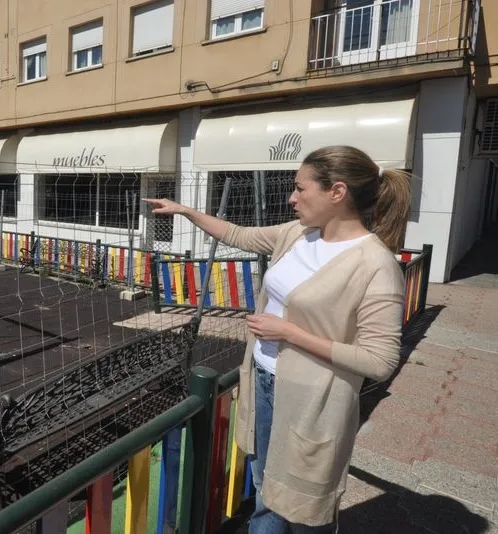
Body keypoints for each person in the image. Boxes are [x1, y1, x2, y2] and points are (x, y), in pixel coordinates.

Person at [143, 145, 412, 533]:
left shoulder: (376, 265)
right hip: (263, 381)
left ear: (336, 192)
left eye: (300, 188)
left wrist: (290, 333)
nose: (292, 197)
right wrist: (185, 210)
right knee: (265, 491)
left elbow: (380, 361)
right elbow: (238, 234)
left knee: (306, 511)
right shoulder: (297, 234)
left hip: (313, 403)